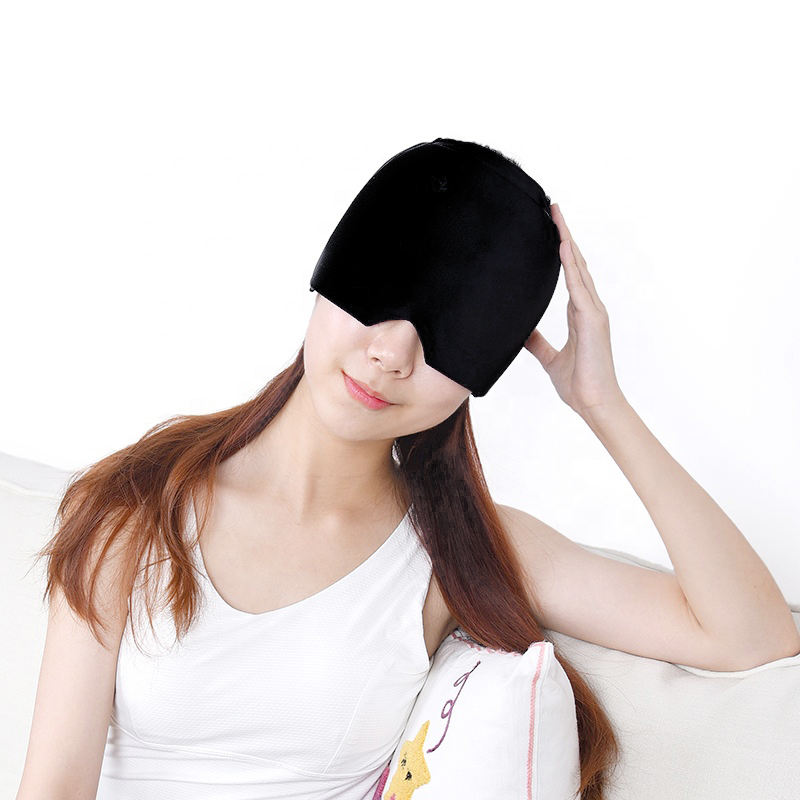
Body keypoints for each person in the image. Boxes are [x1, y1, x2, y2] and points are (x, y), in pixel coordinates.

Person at [17, 139, 798, 800]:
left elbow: (750, 637)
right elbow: (52, 787)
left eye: (448, 333)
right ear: (331, 274)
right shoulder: (133, 506)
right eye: (380, 295)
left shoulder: (456, 552)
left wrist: (602, 405)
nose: (392, 352)